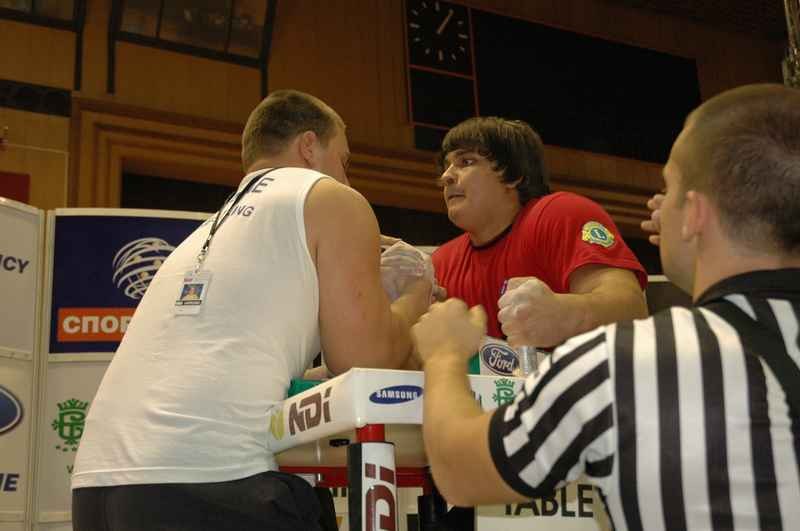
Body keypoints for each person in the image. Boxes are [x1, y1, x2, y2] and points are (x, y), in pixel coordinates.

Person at [413, 83, 800, 529]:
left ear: (695, 214)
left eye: (667, 189)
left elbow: (461, 472)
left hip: (522, 461)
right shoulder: (442, 259)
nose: (655, 207)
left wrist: (444, 356)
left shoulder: (620, 362)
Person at [71, 90, 433, 531]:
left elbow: (240, 366)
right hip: (208, 482)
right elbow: (363, 361)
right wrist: (417, 293)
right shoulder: (330, 198)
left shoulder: (206, 231)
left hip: (99, 487)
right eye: (345, 160)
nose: (347, 177)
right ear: (308, 147)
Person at [432, 116, 648, 350]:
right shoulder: (440, 262)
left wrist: (566, 315)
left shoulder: (561, 213)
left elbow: (632, 310)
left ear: (514, 175)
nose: (446, 177)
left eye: (466, 161)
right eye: (447, 166)